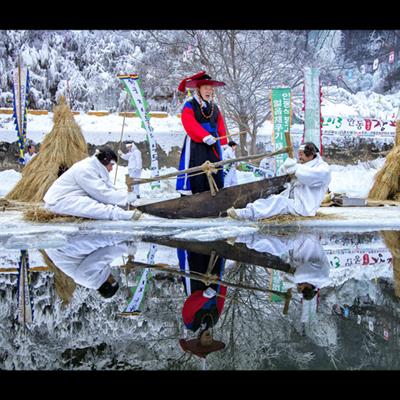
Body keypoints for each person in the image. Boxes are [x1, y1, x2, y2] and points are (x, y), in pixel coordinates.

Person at [238, 232, 330, 321]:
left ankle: (245, 240)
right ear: (310, 286)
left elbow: (296, 270)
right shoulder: (322, 277)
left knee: (271, 251)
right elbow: (304, 273)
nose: (300, 285)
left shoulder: (309, 279)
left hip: (297, 244)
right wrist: (294, 279)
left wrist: (289, 279)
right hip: (305, 240)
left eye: (300, 286)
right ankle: (243, 237)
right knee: (276, 247)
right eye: (302, 286)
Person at [227, 142, 331, 220]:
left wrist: (296, 169)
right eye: (298, 154)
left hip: (304, 207)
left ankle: (246, 214)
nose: (299, 157)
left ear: (311, 154)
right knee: (272, 199)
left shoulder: (322, 168)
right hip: (293, 202)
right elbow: (282, 177)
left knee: (278, 202)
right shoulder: (301, 165)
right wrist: (285, 167)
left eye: (301, 154)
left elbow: (313, 178)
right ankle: (248, 211)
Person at [43, 146, 142, 220]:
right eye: (111, 165)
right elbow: (102, 194)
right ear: (104, 161)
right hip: (59, 201)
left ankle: (123, 211)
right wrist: (128, 198)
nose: (112, 168)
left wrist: (126, 198)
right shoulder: (85, 169)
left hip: (73, 197)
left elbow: (108, 189)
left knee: (93, 202)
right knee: (90, 206)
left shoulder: (95, 168)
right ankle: (121, 215)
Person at [176, 71, 228, 194]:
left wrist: (224, 143)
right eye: (205, 88)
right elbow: (189, 122)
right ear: (198, 89)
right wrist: (204, 136)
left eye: (210, 89)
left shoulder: (214, 107)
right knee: (198, 170)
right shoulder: (190, 105)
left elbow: (220, 125)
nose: (208, 91)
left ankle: (216, 193)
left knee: (215, 167)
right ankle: (196, 196)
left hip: (214, 143)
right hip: (197, 143)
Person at [45, 237, 138, 299]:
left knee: (103, 239)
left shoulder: (89, 278)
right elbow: (105, 258)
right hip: (63, 248)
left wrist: (125, 248)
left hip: (60, 246)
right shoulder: (96, 278)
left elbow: (103, 255)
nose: (112, 275)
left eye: (112, 279)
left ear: (107, 284)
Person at [177, 249, 226, 358]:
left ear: (199, 339)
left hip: (195, 285)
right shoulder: (214, 320)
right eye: (210, 341)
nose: (209, 339)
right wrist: (223, 284)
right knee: (216, 256)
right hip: (213, 284)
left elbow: (188, 307)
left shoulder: (191, 324)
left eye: (206, 342)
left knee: (196, 254)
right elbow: (221, 300)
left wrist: (204, 297)